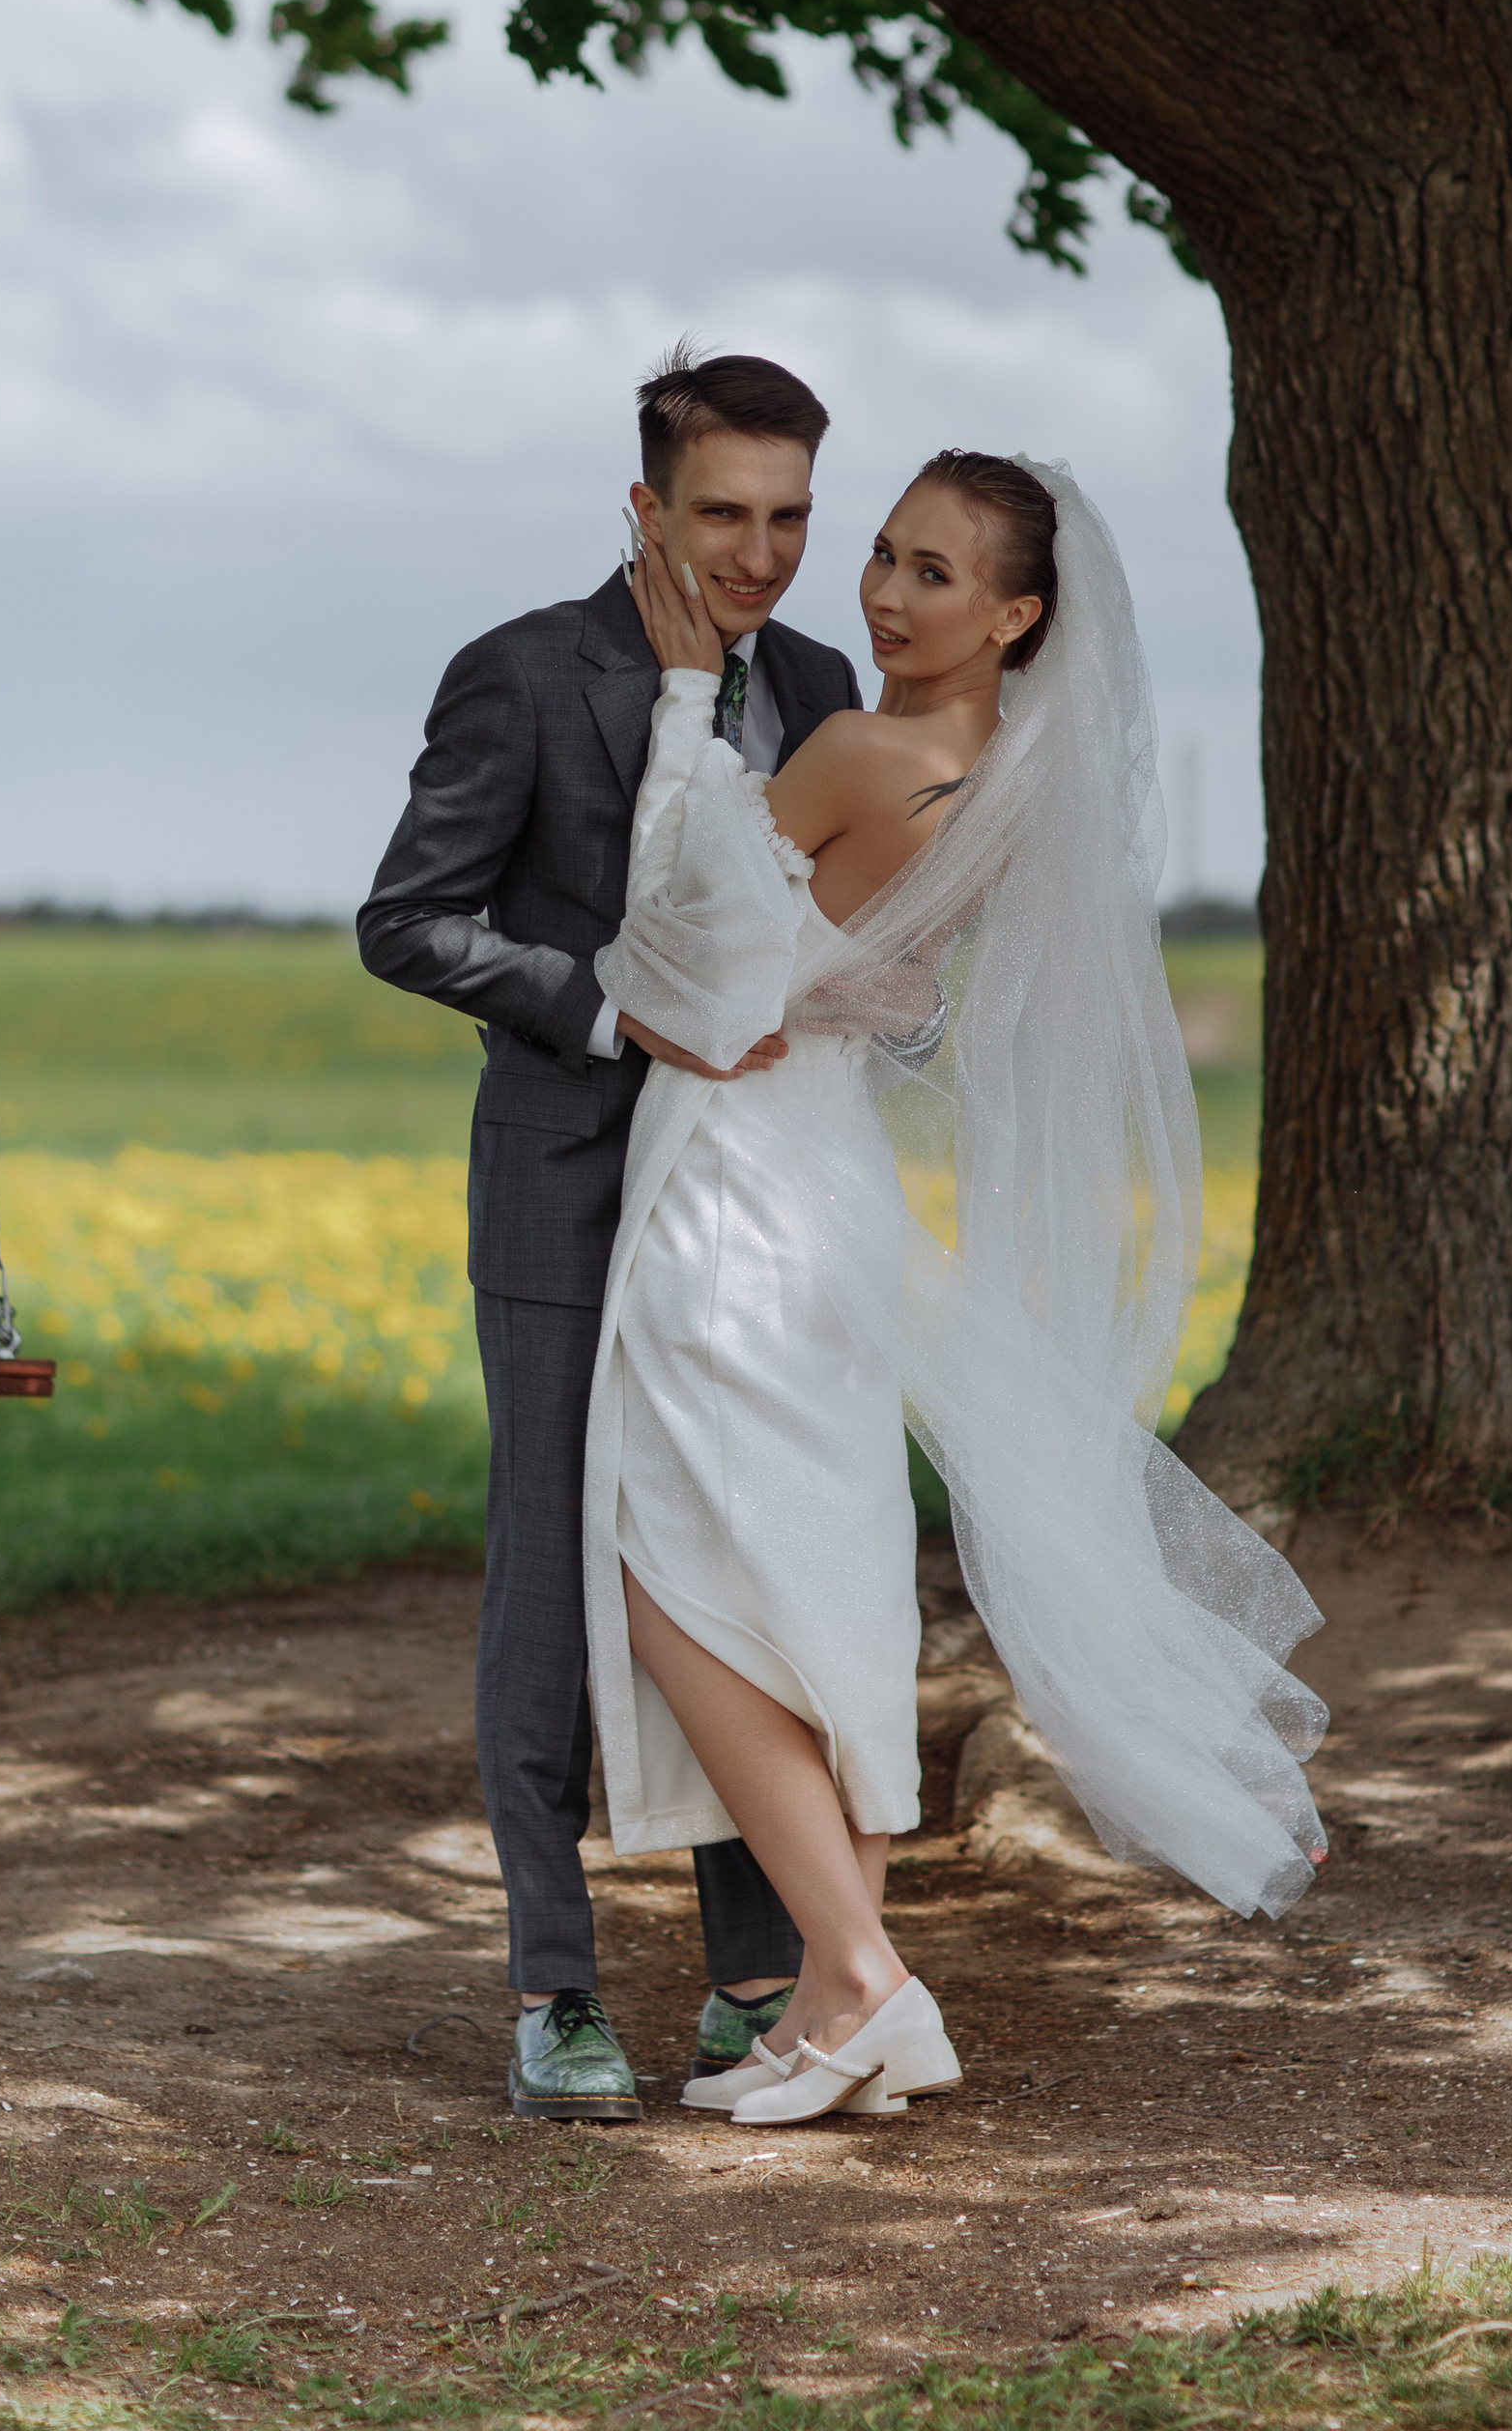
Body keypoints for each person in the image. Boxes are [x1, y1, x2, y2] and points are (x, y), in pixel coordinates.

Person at [586, 449, 1327, 2128]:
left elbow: (676, 947)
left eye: (932, 575)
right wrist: (827, 985)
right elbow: (891, 979)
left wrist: (691, 696)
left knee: (665, 1568)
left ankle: (861, 1982)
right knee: (816, 1587)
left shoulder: (857, 744)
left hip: (739, 1175)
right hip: (830, 1163)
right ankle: (838, 2001)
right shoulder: (1010, 783)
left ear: (1017, 614)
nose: (881, 596)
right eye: (883, 559)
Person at [356, 345, 864, 2122]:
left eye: (791, 516)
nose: (761, 555)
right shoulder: (517, 672)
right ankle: (553, 1985)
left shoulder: (816, 678)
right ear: (643, 507)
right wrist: (603, 1011)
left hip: (748, 1193)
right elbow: (407, 922)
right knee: (555, 1572)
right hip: (567, 1181)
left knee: (736, 1560)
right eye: (723, 514)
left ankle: (748, 1972)